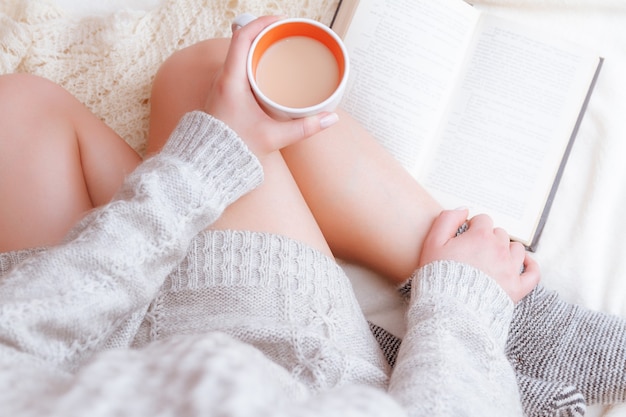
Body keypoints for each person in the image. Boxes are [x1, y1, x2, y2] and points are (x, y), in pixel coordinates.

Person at [0, 14, 621, 416]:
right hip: (271, 366)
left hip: (85, 375)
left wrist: (201, 167)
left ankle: (515, 317)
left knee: (14, 116)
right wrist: (461, 308)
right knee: (219, 72)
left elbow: (16, 336)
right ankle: (510, 315)